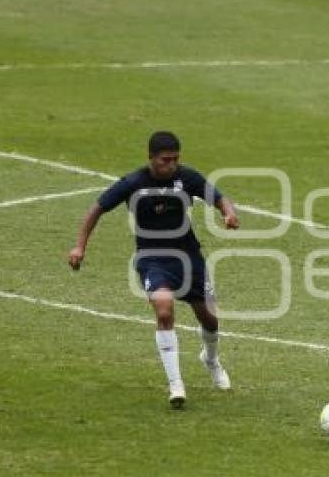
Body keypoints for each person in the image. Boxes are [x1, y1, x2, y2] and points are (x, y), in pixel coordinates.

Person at [67, 131, 240, 408]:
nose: (170, 165)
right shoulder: (133, 183)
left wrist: (228, 213)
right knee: (163, 309)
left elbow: (219, 197)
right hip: (153, 259)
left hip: (188, 258)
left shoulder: (187, 178)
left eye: (174, 159)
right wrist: (79, 247)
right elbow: (96, 209)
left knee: (210, 320)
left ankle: (210, 359)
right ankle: (176, 384)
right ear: (151, 158)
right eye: (164, 160)